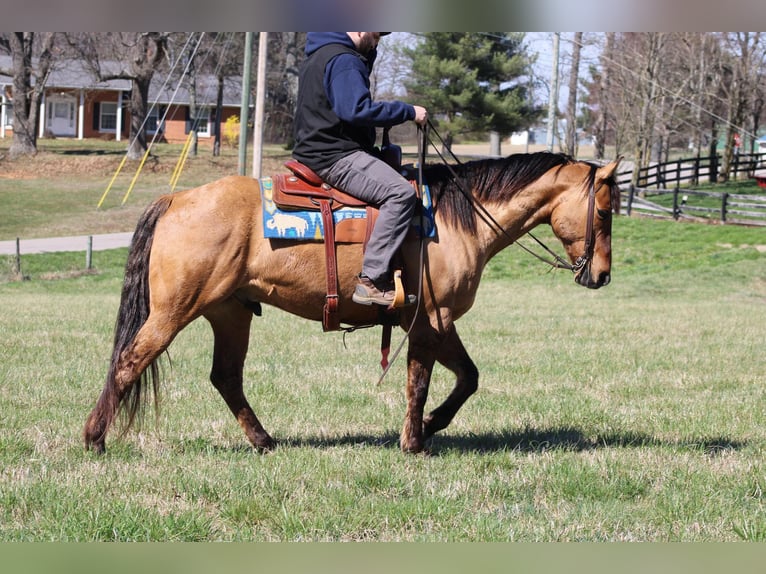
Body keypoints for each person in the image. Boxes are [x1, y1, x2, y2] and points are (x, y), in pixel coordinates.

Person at [292, 32, 428, 306]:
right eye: (377, 35)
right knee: (400, 193)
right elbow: (356, 110)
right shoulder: (344, 60)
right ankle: (372, 281)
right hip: (334, 155)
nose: (377, 42)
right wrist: (407, 112)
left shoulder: (322, 53)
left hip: (320, 149)